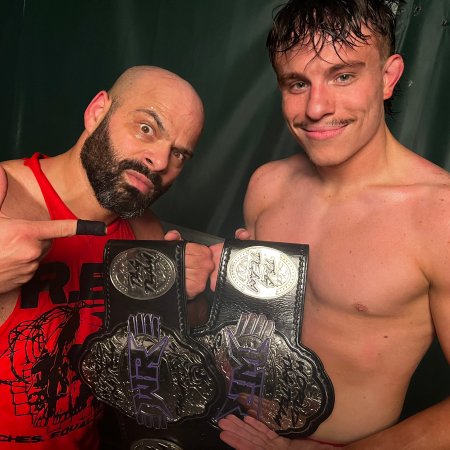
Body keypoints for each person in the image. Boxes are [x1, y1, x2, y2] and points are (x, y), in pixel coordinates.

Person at [215, 0, 450, 448]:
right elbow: (253, 333)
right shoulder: (267, 186)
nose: (317, 107)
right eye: (297, 83)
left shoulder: (439, 216)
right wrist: (201, 288)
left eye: (343, 76)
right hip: (230, 427)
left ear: (388, 77)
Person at [0, 66, 214, 449]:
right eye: (147, 128)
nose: (160, 161)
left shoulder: (145, 230)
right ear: (98, 111)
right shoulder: (4, 196)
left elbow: (166, 360)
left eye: (179, 154)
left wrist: (187, 298)